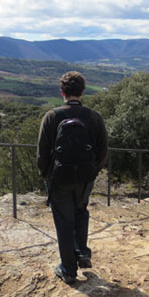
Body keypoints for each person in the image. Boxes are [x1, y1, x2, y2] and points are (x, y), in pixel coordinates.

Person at [37, 71, 108, 284]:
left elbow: (42, 152)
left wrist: (45, 175)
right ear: (82, 92)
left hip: (59, 178)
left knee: (63, 221)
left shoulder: (52, 116)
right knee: (80, 211)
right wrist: (94, 170)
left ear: (62, 92)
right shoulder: (94, 117)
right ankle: (82, 252)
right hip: (85, 177)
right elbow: (103, 150)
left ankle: (68, 269)